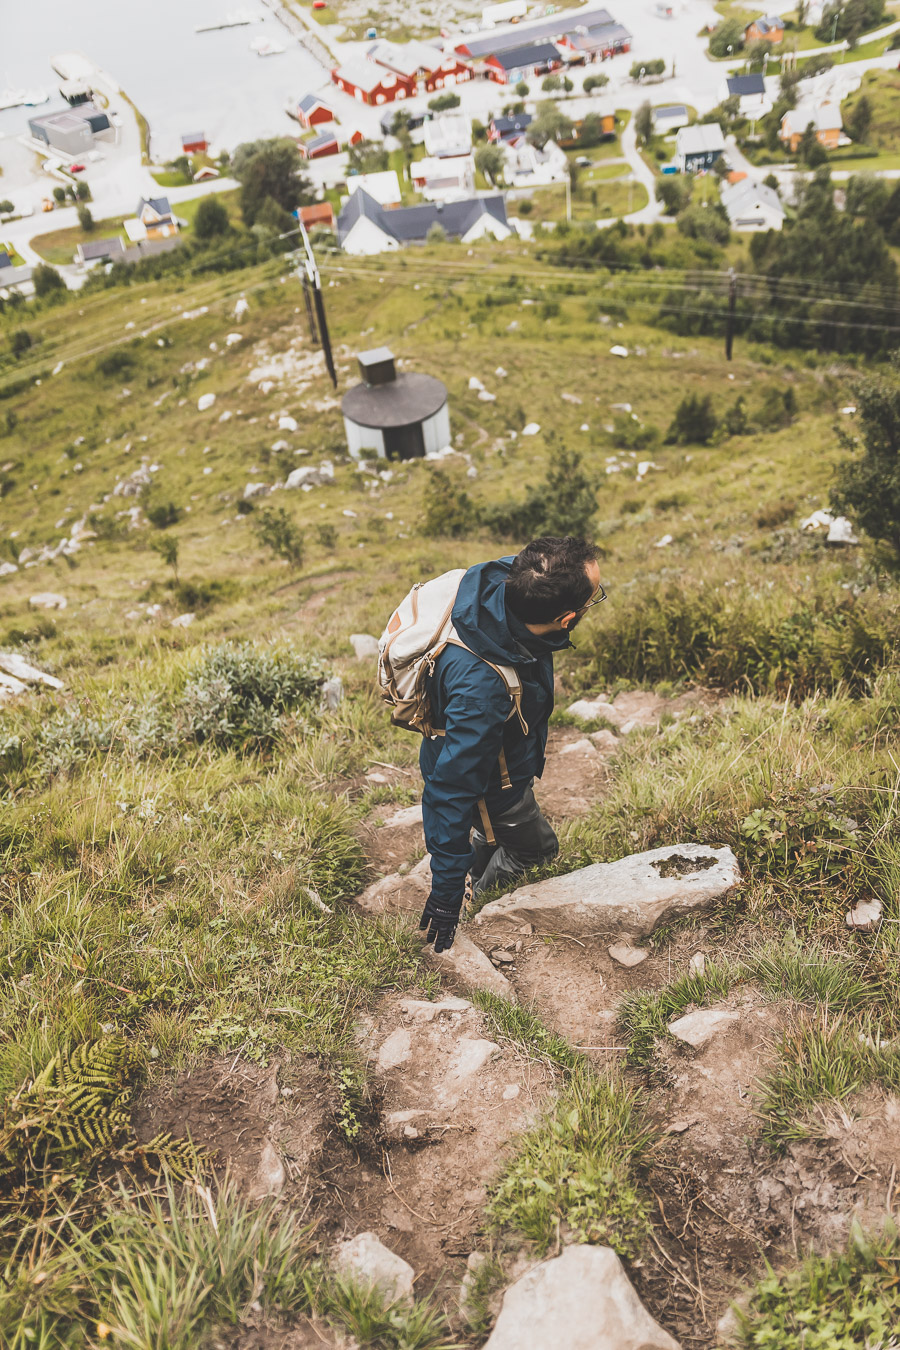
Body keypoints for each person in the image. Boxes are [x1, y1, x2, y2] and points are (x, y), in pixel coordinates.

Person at [418, 535, 605, 953]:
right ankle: (479, 898)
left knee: (490, 836)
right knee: (536, 851)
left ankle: (480, 851)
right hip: (494, 786)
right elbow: (450, 787)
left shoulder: (505, 582)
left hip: (493, 755)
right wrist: (447, 889)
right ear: (568, 618)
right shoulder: (482, 692)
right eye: (596, 599)